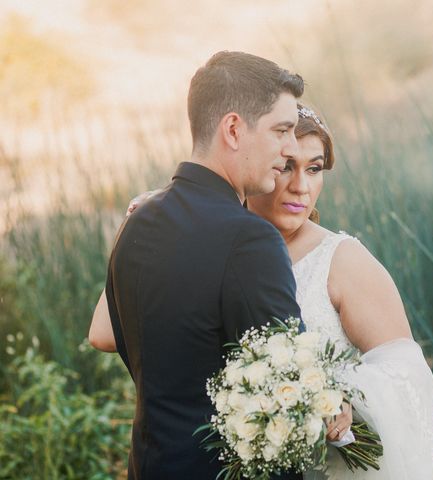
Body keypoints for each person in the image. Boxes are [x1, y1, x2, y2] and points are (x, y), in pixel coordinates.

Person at [107, 105, 433, 479]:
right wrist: (155, 218)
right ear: (258, 168)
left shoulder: (343, 261)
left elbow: (407, 372)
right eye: (286, 167)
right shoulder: (210, 245)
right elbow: (105, 333)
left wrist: (339, 396)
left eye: (314, 169)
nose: (301, 186)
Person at [90, 51, 314, 480]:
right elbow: (290, 394)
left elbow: (114, 338)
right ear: (233, 128)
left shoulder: (135, 222)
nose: (289, 151)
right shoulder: (250, 239)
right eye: (281, 130)